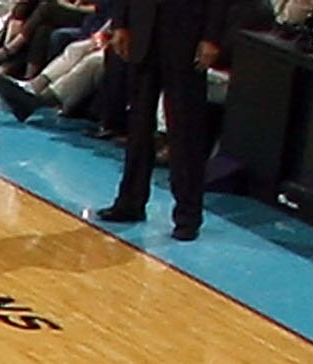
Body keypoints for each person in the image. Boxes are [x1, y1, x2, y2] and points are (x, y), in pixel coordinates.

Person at [97, 0, 231, 237]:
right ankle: (130, 202)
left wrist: (212, 37)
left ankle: (188, 215)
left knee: (185, 131)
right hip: (143, 30)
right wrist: (120, 23)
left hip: (188, 33)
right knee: (138, 127)